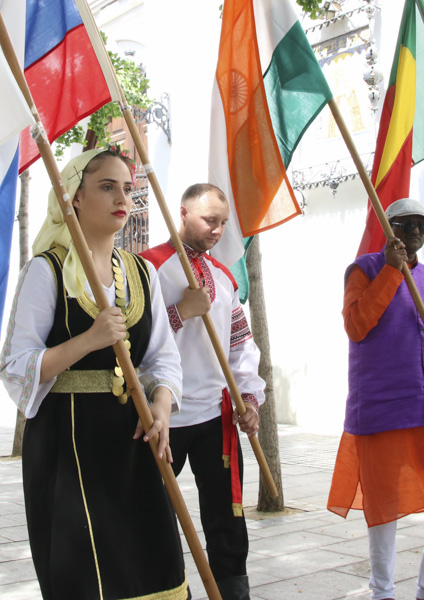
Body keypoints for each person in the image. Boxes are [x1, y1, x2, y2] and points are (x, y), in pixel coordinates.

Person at [0, 148, 187, 599]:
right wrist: (87, 340)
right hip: (68, 446)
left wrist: (160, 409)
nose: (122, 198)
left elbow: (163, 358)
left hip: (134, 438)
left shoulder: (143, 273)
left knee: (153, 564)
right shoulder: (47, 271)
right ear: (74, 198)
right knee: (87, 574)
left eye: (128, 189)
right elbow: (16, 367)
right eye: (107, 187)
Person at [328, 198, 424, 600]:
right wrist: (392, 272)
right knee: (383, 501)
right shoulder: (364, 270)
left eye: (422, 227)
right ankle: (382, 591)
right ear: (388, 227)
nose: (415, 233)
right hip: (380, 404)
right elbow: (357, 325)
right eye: (407, 225)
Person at [141, 183, 264, 600]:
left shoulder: (224, 276)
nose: (217, 230)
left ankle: (233, 593)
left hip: (215, 416)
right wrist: (179, 313)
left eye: (223, 223)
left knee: (227, 517)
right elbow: (132, 343)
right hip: (163, 417)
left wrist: (249, 399)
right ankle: (166, 591)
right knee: (152, 513)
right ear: (183, 213)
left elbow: (240, 346)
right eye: (210, 220)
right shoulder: (148, 269)